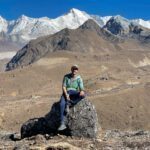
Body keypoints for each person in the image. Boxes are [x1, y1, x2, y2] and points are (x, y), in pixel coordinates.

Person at [58, 64, 85, 131]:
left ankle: (70, 103)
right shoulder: (66, 77)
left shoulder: (79, 78)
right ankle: (62, 124)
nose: (74, 70)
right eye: (73, 69)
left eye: (76, 69)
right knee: (61, 104)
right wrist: (66, 94)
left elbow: (81, 88)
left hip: (74, 92)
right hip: (66, 92)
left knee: (83, 95)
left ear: (77, 70)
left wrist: (81, 91)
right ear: (71, 69)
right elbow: (64, 86)